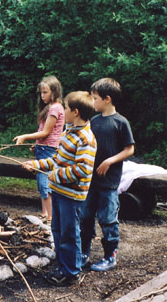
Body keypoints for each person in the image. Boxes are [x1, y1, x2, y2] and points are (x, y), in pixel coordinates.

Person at [22, 91, 96, 286]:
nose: (63, 110)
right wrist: (36, 164)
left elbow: (83, 169)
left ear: (76, 112)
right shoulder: (68, 132)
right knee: (58, 230)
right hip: (59, 192)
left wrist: (56, 175)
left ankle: (71, 272)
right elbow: (57, 159)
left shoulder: (85, 138)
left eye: (66, 107)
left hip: (72, 196)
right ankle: (62, 265)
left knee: (69, 234)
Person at [80, 78, 135, 272]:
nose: (92, 102)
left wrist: (110, 161)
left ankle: (110, 257)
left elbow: (129, 149)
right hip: (89, 182)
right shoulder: (93, 122)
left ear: (107, 99)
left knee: (107, 219)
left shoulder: (121, 122)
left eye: (95, 98)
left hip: (109, 183)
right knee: (85, 217)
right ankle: (83, 253)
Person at [13, 76, 65, 221]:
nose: (42, 96)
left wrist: (24, 137)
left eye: (45, 92)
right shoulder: (50, 107)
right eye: (41, 93)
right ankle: (44, 213)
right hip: (43, 148)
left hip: (49, 150)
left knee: (45, 183)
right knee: (41, 182)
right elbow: (44, 132)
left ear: (54, 91)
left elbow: (46, 132)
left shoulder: (55, 108)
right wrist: (37, 145)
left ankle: (50, 218)